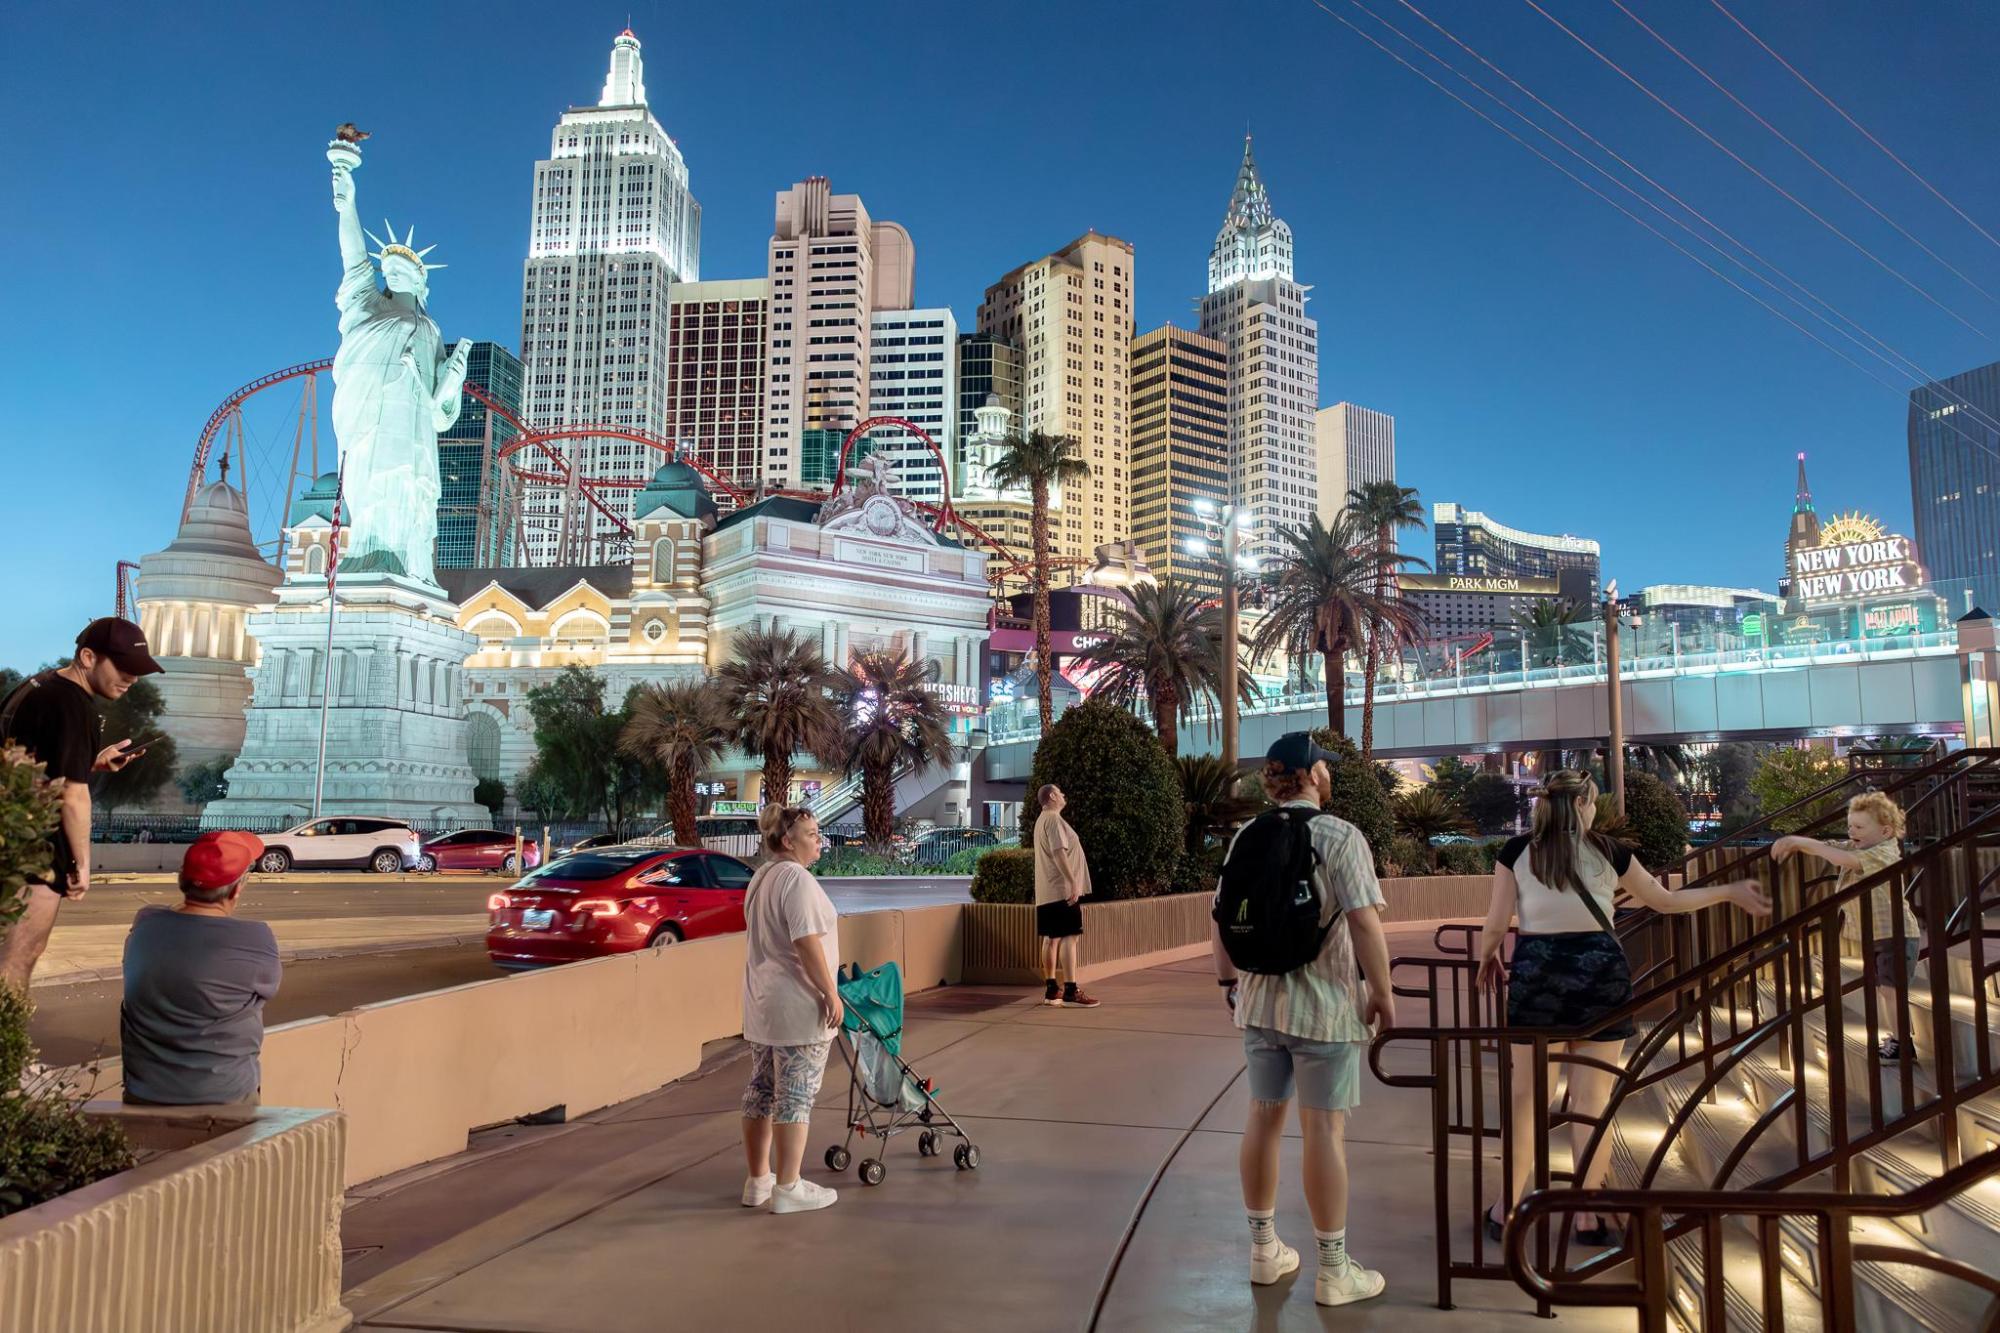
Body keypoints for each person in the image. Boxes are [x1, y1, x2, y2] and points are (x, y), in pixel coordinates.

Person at [1477, 770, 1771, 1245]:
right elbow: (1667, 901)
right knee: (1593, 1102)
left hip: (1539, 977)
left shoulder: (1518, 851)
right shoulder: (1611, 850)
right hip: (1601, 973)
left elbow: (1495, 924)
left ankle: (1508, 1208)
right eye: (1594, 802)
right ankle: (1587, 1215)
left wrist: (1488, 956)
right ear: (1584, 805)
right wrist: (1729, 892)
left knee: (1528, 1099)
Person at [1211, 733, 1396, 1309]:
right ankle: (1334, 1271)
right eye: (1327, 767)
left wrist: (1228, 985)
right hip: (1327, 1006)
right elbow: (1364, 924)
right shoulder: (1339, 836)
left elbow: (1218, 918)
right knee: (1323, 1131)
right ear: (1313, 774)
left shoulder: (1247, 835)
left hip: (1260, 1003)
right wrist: (1384, 995)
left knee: (1262, 1119)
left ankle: (1264, 1252)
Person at [0, 618, 164, 990]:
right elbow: (73, 795)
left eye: (137, 672)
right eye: (123, 668)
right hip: (35, 855)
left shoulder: (37, 686)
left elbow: (34, 766)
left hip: (13, 843)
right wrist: (83, 864)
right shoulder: (74, 705)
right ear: (88, 657)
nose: (131, 679)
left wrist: (91, 760)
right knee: (18, 957)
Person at [121, 831, 282, 1105]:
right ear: (237, 888)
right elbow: (268, 988)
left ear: (181, 880)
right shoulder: (255, 938)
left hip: (144, 1092)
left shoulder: (146, 923)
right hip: (226, 1095)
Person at [739, 803, 844, 1215]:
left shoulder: (761, 878)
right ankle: (789, 1186)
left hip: (763, 1004)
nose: (819, 841)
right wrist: (830, 994)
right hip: (798, 1005)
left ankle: (758, 1180)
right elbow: (806, 942)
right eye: (812, 834)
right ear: (787, 840)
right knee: (795, 1096)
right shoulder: (796, 880)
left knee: (761, 1091)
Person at [1773, 792, 1910, 1061]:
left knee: (1891, 990)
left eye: (1859, 827)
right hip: (1879, 934)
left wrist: (1798, 840)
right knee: (1886, 989)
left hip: (1897, 932)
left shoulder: (1885, 852)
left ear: (1885, 831)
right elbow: (1831, 847)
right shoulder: (1861, 846)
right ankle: (1898, 1036)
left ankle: (1903, 1043)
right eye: (1850, 825)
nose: (1851, 831)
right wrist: (1796, 843)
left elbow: (1841, 859)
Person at [1032, 784, 1099, 1008]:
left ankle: (1052, 989)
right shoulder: (1053, 820)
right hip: (1062, 891)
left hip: (1047, 891)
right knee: (1070, 937)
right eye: (1060, 792)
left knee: (1051, 939)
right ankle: (1070, 989)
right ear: (1052, 796)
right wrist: (1072, 882)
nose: (1064, 795)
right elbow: (1059, 852)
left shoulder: (1042, 820)